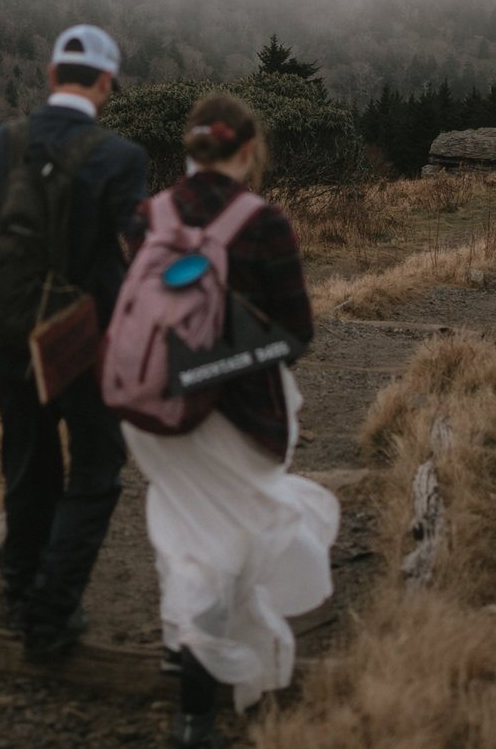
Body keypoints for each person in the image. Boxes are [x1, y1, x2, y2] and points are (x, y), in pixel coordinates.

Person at [120, 92, 336, 749]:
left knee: (186, 530)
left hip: (157, 410)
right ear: (248, 150)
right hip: (238, 410)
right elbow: (297, 333)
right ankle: (196, 712)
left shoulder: (144, 216)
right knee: (224, 546)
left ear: (189, 149)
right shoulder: (264, 222)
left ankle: (179, 645)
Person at [0, 23, 151, 661]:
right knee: (96, 463)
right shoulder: (119, 156)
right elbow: (142, 253)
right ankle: (53, 607)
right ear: (105, 83)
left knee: (28, 464)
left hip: (6, 335)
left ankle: (18, 595)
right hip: (83, 340)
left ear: (49, 74)